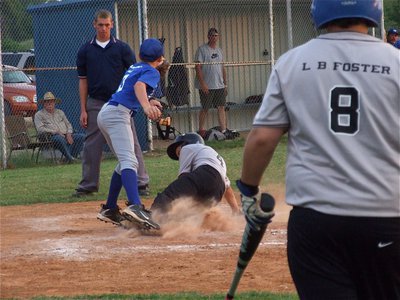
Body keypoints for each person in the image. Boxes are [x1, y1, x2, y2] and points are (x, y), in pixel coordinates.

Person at [237, 0, 400, 299]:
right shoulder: (396, 61)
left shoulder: (293, 61)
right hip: (387, 216)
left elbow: (262, 138)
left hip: (317, 220)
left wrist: (248, 190)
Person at [74, 9, 150, 197]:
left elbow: (134, 75)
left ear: (112, 25)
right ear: (94, 25)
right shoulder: (85, 50)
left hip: (119, 103)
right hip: (96, 102)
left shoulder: (122, 48)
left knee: (131, 142)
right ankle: (88, 185)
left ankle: (141, 183)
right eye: (100, 25)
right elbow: (83, 80)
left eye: (107, 25)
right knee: (92, 144)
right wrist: (83, 109)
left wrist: (133, 102)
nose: (103, 28)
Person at [96, 38, 164, 230]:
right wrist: (145, 106)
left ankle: (110, 208)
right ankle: (136, 206)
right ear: (159, 58)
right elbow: (139, 87)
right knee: (130, 161)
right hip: (118, 114)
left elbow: (132, 88)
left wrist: (150, 102)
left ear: (141, 55)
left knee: (124, 162)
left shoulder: (136, 66)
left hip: (108, 112)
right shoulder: (152, 71)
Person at [150, 132, 240, 215]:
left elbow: (183, 177)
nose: (179, 156)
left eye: (178, 152)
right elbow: (227, 187)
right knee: (190, 214)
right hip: (217, 192)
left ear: (186, 143)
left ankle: (153, 215)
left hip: (204, 174)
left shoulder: (187, 148)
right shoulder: (213, 156)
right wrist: (235, 210)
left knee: (171, 194)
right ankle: (175, 225)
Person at [194, 28, 235, 140]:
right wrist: (203, 84)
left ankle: (224, 130)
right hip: (207, 85)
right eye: (212, 35)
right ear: (208, 36)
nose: (214, 37)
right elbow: (197, 67)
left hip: (219, 85)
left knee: (221, 106)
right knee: (205, 107)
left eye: (216, 35)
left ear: (218, 37)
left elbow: (222, 67)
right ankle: (201, 130)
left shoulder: (219, 51)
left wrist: (225, 84)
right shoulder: (202, 50)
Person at [34, 92, 85, 163]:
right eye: (47, 102)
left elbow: (68, 124)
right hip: (51, 137)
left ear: (54, 103)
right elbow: (40, 129)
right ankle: (70, 158)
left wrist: (69, 133)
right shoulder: (39, 114)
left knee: (81, 137)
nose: (49, 103)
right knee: (59, 139)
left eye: (51, 101)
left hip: (66, 134)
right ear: (44, 103)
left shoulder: (60, 112)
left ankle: (70, 159)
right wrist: (55, 131)